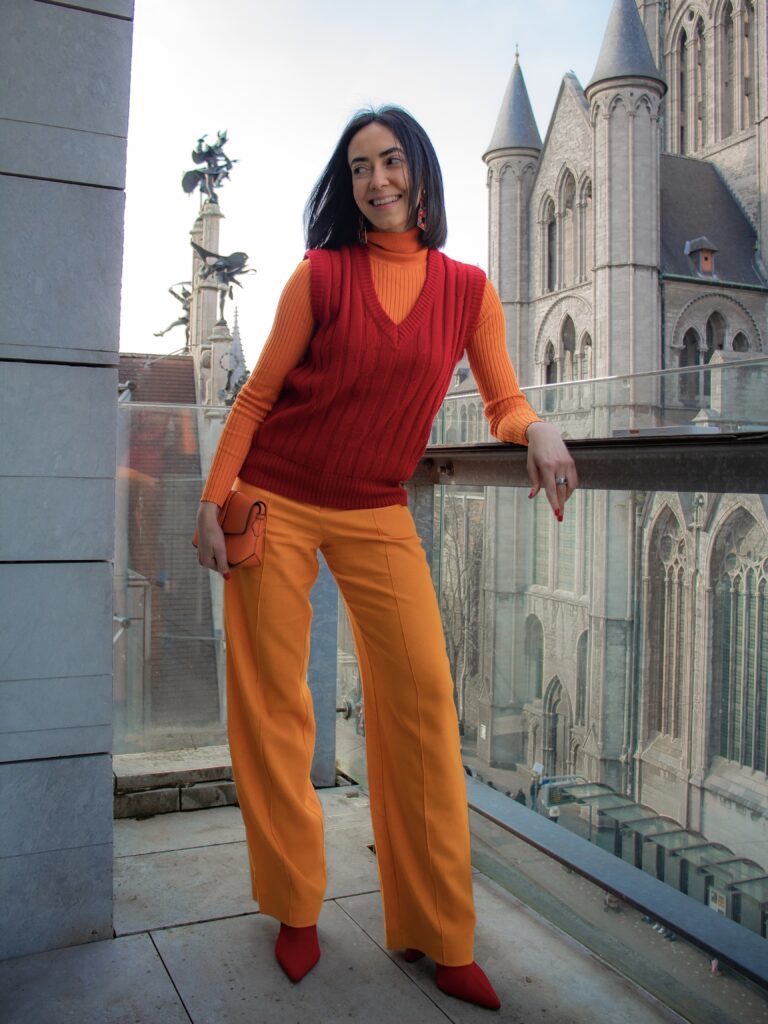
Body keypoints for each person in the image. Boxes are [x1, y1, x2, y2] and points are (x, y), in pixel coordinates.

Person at [195, 105, 577, 1011]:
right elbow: (253, 402)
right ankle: (294, 905)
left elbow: (503, 401)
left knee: (422, 709)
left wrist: (542, 429)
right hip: (277, 500)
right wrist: (211, 501)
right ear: (348, 184)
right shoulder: (320, 278)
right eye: (360, 167)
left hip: (377, 510)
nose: (378, 180)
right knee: (275, 709)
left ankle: (441, 930)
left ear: (420, 173)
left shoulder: (468, 290)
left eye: (391, 161)